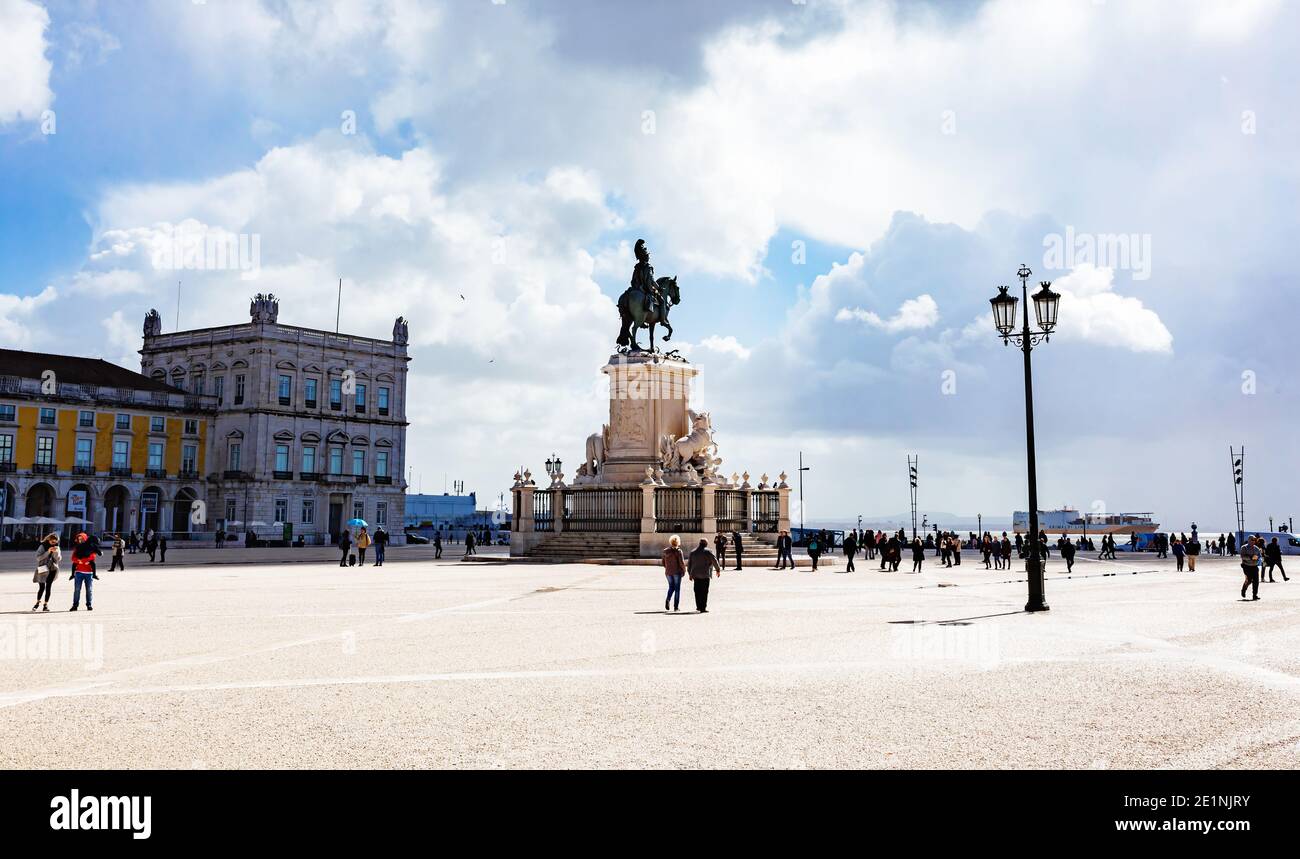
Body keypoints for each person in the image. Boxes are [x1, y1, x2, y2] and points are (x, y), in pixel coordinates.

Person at [688, 537, 721, 612]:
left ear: (699, 543)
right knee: (704, 591)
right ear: (706, 544)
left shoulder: (693, 552)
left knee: (697, 591)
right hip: (705, 574)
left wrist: (690, 574)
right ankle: (703, 607)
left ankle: (698, 606)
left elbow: (689, 564)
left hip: (696, 575)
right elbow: (714, 560)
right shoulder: (708, 551)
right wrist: (718, 570)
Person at [69, 533, 97, 611]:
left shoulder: (91, 547)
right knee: (77, 590)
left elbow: (92, 557)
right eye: (78, 539)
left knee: (89, 590)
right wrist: (80, 561)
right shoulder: (77, 548)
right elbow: (73, 558)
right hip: (78, 572)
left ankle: (89, 604)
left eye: (82, 539)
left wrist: (81, 561)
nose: (80, 540)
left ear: (85, 539)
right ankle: (75, 605)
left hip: (89, 572)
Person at [33, 533, 61, 613]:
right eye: (52, 542)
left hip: (52, 568)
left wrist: (56, 552)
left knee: (49, 586)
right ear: (49, 540)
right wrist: (48, 552)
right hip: (43, 568)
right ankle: (37, 602)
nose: (54, 543)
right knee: (42, 587)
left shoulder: (57, 547)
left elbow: (58, 559)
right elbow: (38, 558)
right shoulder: (42, 546)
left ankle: (45, 604)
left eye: (55, 542)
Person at [662, 535, 686, 612]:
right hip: (677, 572)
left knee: (671, 587)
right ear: (678, 542)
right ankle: (676, 607)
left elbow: (663, 562)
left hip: (668, 572)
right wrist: (684, 570)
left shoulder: (665, 551)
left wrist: (667, 568)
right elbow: (681, 563)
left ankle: (668, 599)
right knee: (677, 589)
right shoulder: (679, 551)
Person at [1240, 536, 1261, 601]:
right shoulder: (1244, 547)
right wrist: (1250, 557)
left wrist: (1257, 559)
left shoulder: (1256, 548)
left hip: (1254, 566)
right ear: (1248, 540)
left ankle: (1255, 595)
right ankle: (1244, 589)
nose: (1253, 541)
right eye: (1252, 540)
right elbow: (1242, 556)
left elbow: (1259, 556)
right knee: (1249, 580)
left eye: (1254, 540)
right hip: (1246, 566)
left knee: (1256, 581)